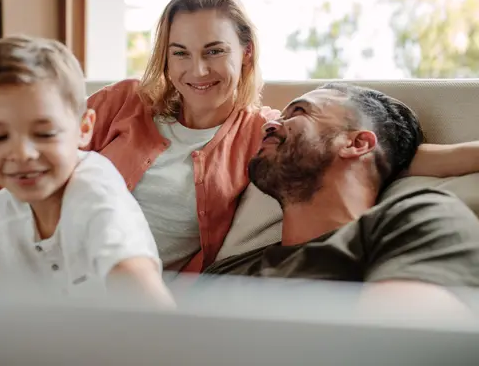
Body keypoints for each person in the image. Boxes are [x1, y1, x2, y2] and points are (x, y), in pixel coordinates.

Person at [0, 0, 479, 274]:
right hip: (26, 241)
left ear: (245, 53)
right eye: (179, 53)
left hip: (115, 281)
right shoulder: (123, 101)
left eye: (214, 52)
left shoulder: (266, 133)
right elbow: (0, 173)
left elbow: (398, 155)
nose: (195, 72)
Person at [204, 83, 479, 314]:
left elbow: (404, 347)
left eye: (299, 111)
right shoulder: (224, 273)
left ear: (357, 144)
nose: (270, 126)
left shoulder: (415, 221)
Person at [0, 36, 174, 307]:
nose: (21, 154)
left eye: (44, 133)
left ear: (83, 128)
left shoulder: (97, 199)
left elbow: (150, 303)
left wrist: (131, 278)